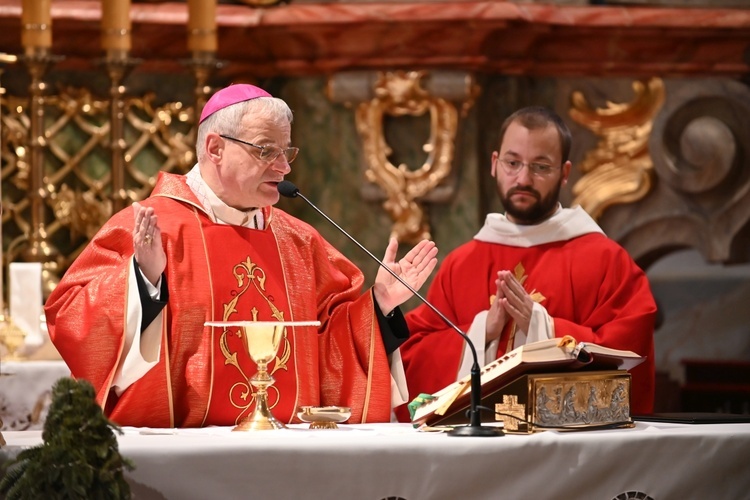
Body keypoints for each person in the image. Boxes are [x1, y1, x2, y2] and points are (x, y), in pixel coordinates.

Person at [44, 84, 438, 428]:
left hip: (288, 451)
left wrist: (380, 304)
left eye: (287, 152)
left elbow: (331, 346)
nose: (283, 168)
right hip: (183, 451)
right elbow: (71, 316)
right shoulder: (153, 225)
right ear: (215, 148)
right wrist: (143, 281)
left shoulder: (297, 240)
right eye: (267, 151)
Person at [397, 106, 656, 420]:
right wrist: (483, 331)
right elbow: (412, 354)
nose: (523, 178)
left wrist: (543, 327)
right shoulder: (461, 265)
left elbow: (630, 350)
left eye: (541, 166)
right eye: (512, 162)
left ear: (564, 173)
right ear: (495, 164)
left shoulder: (605, 260)